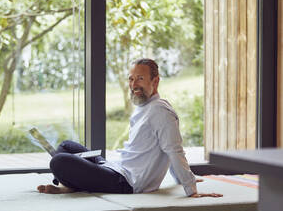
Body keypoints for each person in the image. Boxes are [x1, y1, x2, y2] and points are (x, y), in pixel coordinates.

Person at [37, 58, 222, 198]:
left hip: (126, 182)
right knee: (66, 146)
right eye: (131, 79)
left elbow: (173, 150)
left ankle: (71, 185)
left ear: (155, 81)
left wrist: (190, 187)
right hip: (116, 168)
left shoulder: (161, 112)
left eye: (140, 79)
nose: (134, 85)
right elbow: (167, 154)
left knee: (59, 162)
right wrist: (180, 178)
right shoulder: (144, 107)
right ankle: (74, 184)